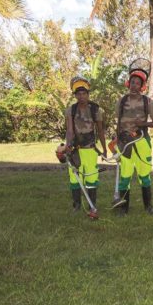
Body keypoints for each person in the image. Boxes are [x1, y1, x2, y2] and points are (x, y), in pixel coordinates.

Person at [114, 65, 153, 216]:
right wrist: (116, 141)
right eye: (132, 82)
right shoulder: (121, 101)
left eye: (137, 83)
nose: (134, 85)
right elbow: (118, 122)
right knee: (125, 175)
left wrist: (142, 124)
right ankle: (123, 209)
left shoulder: (148, 102)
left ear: (142, 86)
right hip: (124, 142)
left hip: (141, 141)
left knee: (144, 175)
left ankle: (148, 207)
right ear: (128, 83)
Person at [64, 76, 107, 213]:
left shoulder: (96, 110)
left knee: (91, 177)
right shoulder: (70, 110)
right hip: (76, 149)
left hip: (90, 149)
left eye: (84, 93)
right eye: (79, 94)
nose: (82, 96)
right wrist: (68, 146)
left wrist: (104, 150)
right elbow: (70, 130)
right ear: (75, 95)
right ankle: (76, 205)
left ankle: (91, 205)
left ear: (88, 94)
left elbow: (100, 131)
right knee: (75, 177)